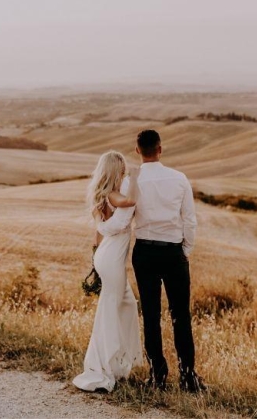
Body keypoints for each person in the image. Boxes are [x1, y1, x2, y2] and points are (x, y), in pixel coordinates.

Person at [98, 129, 203, 393]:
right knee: (181, 315)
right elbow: (189, 219)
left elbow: (123, 221)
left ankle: (158, 376)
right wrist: (184, 251)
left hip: (145, 252)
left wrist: (99, 226)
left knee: (152, 316)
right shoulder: (179, 179)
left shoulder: (130, 183)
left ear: (137, 151)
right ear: (160, 148)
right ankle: (188, 376)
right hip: (173, 252)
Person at [72, 151, 143, 392]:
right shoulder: (113, 195)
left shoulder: (102, 195)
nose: (124, 172)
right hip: (112, 258)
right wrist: (135, 177)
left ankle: (115, 362)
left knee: (125, 304)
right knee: (110, 309)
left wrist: (95, 255)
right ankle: (102, 367)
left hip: (106, 255)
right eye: (121, 169)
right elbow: (131, 202)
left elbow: (98, 232)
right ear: (115, 171)